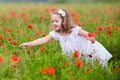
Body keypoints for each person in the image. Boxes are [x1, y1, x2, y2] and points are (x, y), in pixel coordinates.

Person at [19, 9, 112, 67]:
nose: (53, 23)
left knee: (94, 64)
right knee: (80, 66)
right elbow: (43, 40)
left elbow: (86, 34)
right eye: (52, 21)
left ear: (64, 21)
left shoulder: (75, 30)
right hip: (74, 55)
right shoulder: (56, 33)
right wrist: (29, 43)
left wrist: (91, 39)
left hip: (87, 51)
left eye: (56, 21)